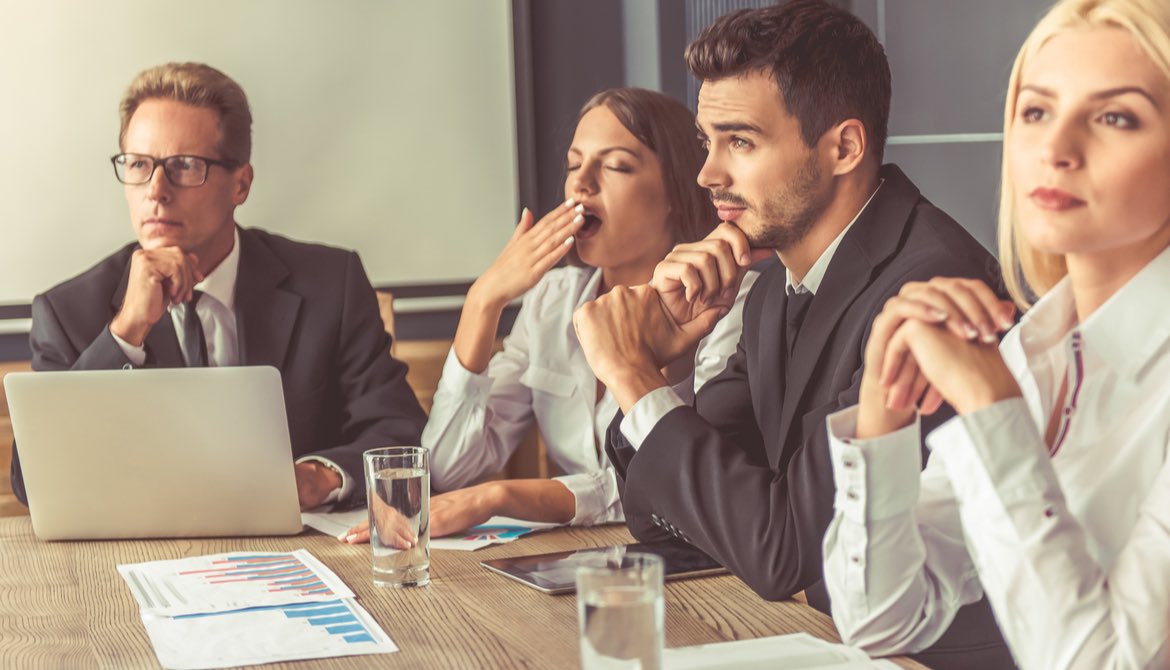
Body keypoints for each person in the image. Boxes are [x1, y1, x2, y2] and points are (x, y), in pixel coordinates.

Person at [572, 2, 1012, 667]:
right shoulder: (774, 284)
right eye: (706, 142)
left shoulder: (928, 286)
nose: (707, 174)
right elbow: (678, 525)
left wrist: (632, 379)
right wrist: (665, 371)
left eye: (740, 142)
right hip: (834, 643)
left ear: (843, 147)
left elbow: (782, 551)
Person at [822, 0, 1170, 667]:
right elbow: (880, 620)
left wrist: (992, 414)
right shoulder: (1032, 347)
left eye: (1115, 117)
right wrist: (882, 415)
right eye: (1036, 111)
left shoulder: (1002, 375)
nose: (1056, 149)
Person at [343, 88, 755, 545]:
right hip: (588, 554)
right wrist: (483, 301)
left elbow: (673, 480)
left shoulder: (730, 301)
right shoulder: (552, 300)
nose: (582, 183)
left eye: (615, 165)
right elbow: (447, 469)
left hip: (699, 558)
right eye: (574, 165)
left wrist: (498, 496)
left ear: (675, 191)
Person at [8, 62, 426, 511]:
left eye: (185, 166)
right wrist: (126, 332)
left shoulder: (331, 284)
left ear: (240, 184)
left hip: (298, 552)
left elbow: (399, 433)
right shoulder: (68, 312)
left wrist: (318, 476)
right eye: (139, 165)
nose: (156, 190)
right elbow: (33, 481)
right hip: (136, 558)